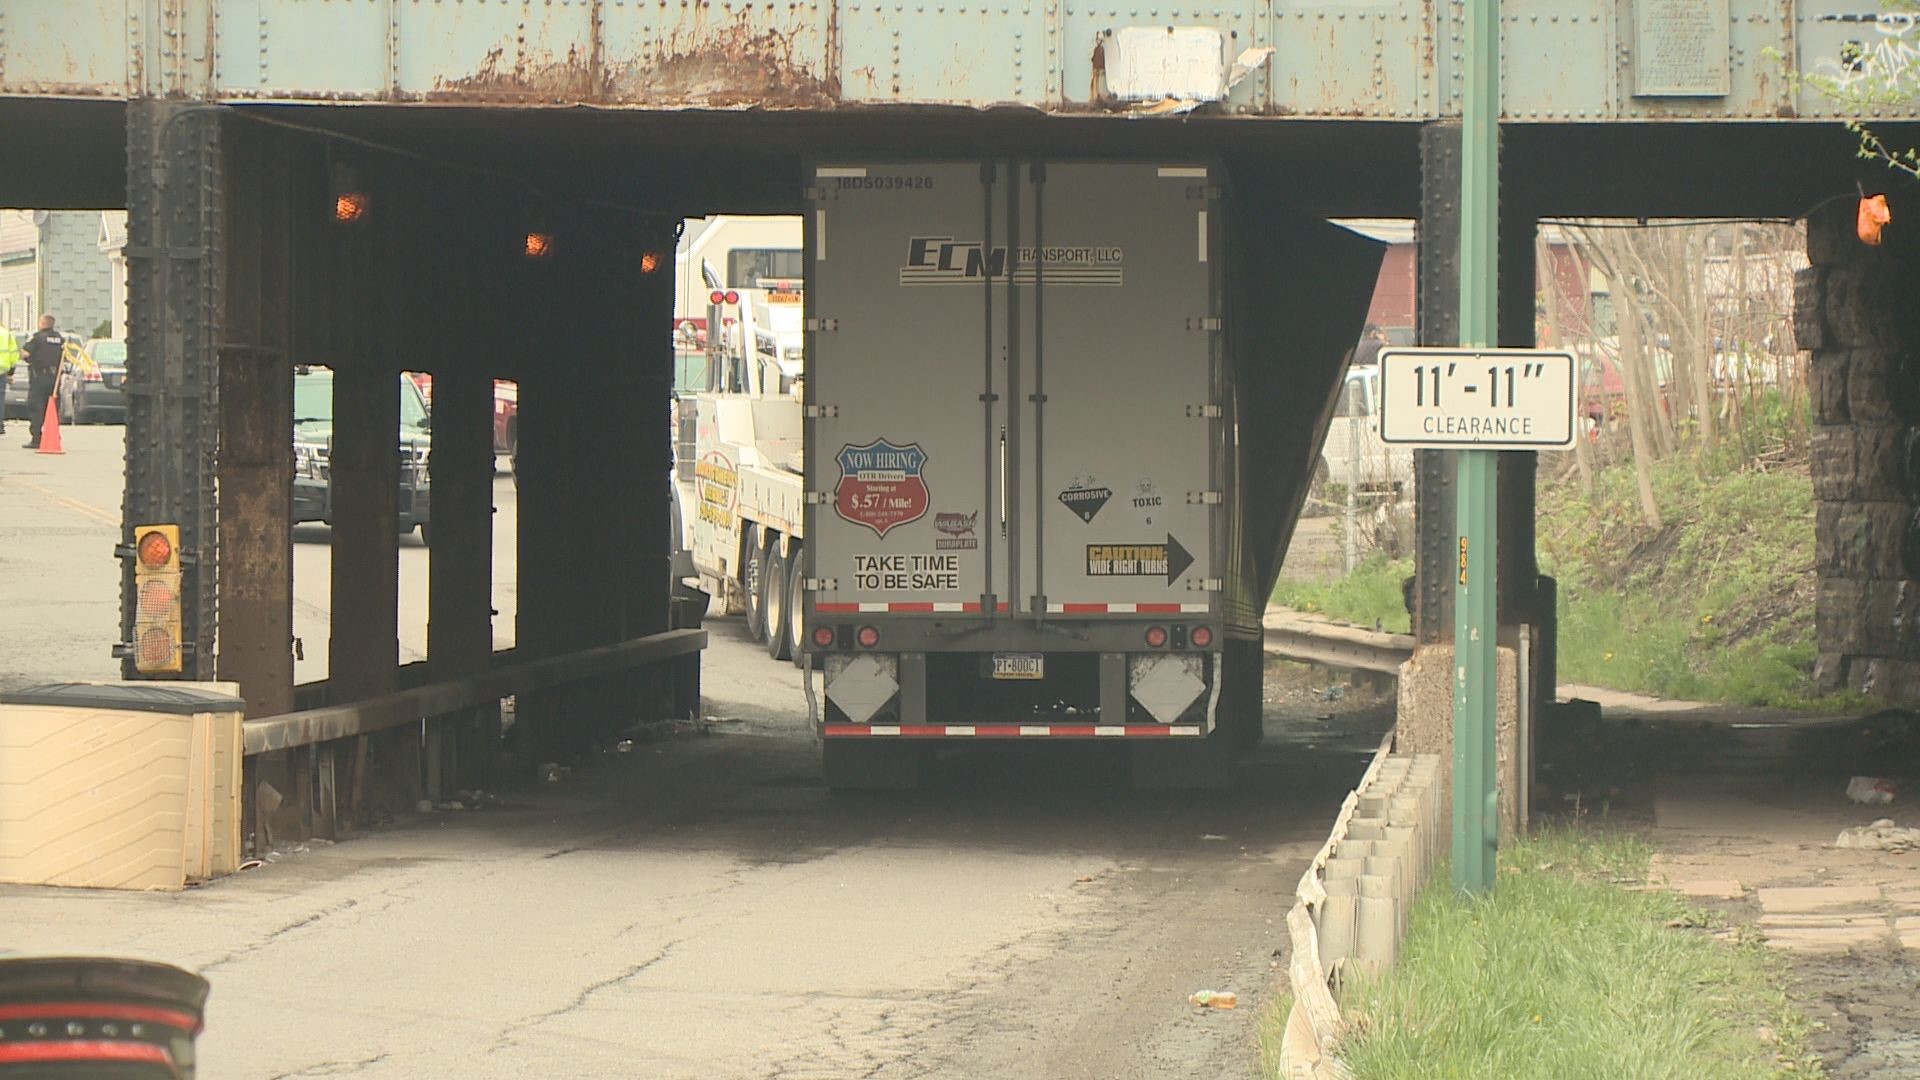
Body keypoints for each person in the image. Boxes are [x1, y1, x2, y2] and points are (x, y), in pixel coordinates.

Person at [21, 315, 66, 449]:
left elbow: (25, 353)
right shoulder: (60, 339)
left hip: (39, 378)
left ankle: (36, 439)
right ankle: (53, 435)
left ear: (42, 323)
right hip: (55, 379)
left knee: (36, 407)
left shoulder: (37, 337)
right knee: (52, 408)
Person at [0, 330, 17, 436]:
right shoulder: (6, 334)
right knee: (0, 398)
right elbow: (14, 353)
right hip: (2, 371)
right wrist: (11, 372)